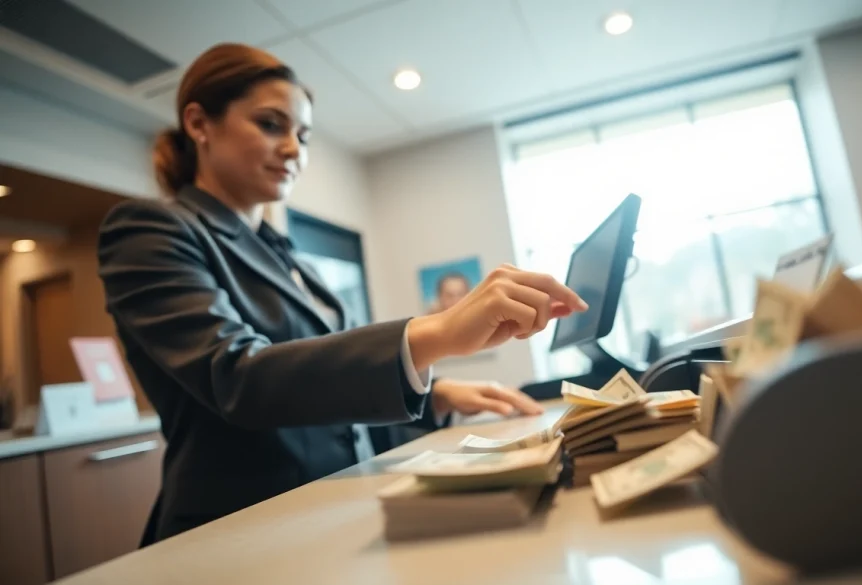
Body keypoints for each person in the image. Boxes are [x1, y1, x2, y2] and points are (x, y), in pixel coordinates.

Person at [96, 43, 588, 543]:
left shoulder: (290, 259)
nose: (294, 149)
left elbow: (329, 399)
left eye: (302, 135)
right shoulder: (150, 231)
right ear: (199, 124)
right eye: (271, 124)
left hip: (329, 512)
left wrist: (434, 397)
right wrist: (433, 333)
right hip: (235, 533)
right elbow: (237, 377)